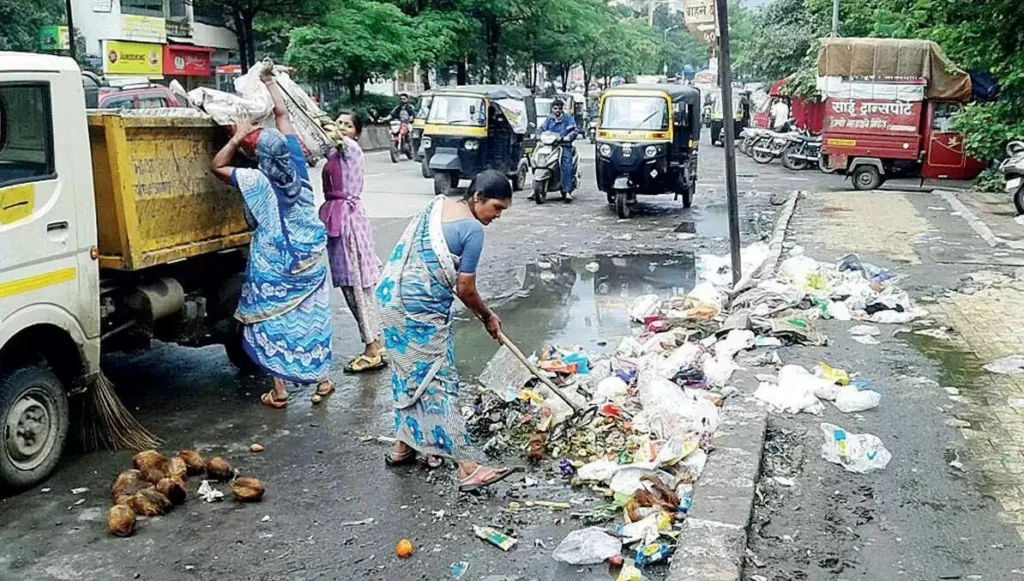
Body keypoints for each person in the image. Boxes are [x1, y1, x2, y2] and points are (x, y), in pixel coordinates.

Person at [377, 170, 520, 492]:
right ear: (478, 197)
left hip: (390, 301)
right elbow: (465, 288)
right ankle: (467, 467)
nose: (497, 216)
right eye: (496, 208)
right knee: (440, 382)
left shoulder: (438, 206)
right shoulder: (471, 229)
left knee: (408, 374)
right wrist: (487, 316)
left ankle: (403, 447)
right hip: (418, 311)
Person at [210, 63, 334, 409]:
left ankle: (279, 391)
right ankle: (322, 380)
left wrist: (237, 136)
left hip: (275, 264)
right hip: (310, 260)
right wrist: (269, 82)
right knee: (311, 320)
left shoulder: (256, 181)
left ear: (261, 159)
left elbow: (217, 166)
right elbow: (282, 115)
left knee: (270, 319)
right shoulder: (296, 162)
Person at [320, 111, 385, 373]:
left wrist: (322, 121)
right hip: (341, 220)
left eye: (348, 125)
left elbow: (332, 136)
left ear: (356, 132)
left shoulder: (352, 149)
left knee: (357, 286)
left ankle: (371, 347)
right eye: (340, 123)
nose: (343, 128)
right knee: (355, 287)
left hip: (348, 224)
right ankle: (377, 343)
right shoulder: (336, 153)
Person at [535, 99, 578, 200]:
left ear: (562, 109)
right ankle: (535, 187)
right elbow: (542, 129)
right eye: (555, 108)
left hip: (563, 146)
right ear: (552, 109)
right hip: (549, 145)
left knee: (566, 164)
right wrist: (537, 134)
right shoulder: (549, 119)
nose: (557, 111)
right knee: (538, 158)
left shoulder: (568, 119)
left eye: (559, 108)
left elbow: (574, 130)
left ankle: (567, 190)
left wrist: (567, 137)